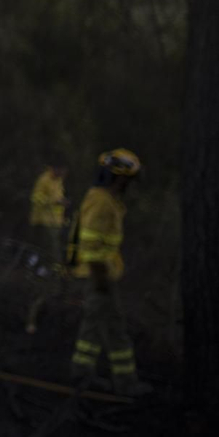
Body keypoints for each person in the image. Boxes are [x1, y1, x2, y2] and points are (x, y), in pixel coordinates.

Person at [67, 148, 151, 397]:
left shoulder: (106, 200)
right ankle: (125, 383)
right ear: (119, 178)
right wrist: (101, 277)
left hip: (101, 274)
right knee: (111, 328)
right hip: (98, 275)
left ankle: (83, 374)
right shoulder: (101, 201)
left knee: (98, 325)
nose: (129, 185)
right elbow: (90, 243)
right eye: (128, 180)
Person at [23, 160, 68, 334]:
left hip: (55, 223)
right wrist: (55, 202)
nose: (64, 173)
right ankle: (52, 275)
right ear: (56, 167)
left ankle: (53, 275)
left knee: (55, 253)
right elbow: (36, 198)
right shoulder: (45, 179)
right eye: (62, 169)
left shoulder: (58, 181)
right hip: (44, 222)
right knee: (52, 254)